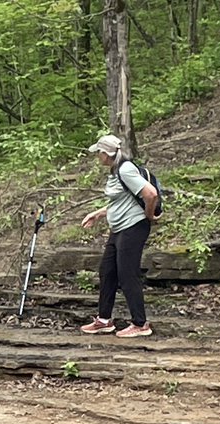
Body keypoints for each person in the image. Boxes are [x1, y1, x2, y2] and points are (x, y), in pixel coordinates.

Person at [79, 134, 160, 338]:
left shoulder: (126, 169)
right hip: (119, 229)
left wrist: (149, 215)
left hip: (133, 228)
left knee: (127, 274)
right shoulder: (116, 171)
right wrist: (98, 213)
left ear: (106, 154)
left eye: (98, 152)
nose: (97, 156)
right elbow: (121, 201)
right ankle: (104, 320)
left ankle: (141, 324)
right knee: (107, 271)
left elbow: (150, 194)